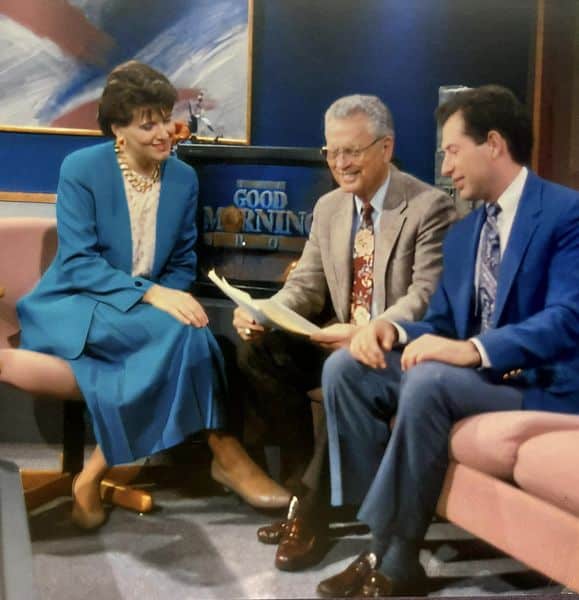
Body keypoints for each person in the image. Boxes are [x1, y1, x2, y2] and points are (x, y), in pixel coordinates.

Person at [316, 84, 579, 597]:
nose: (446, 165)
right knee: (346, 368)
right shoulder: (464, 233)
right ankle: (379, 537)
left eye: (453, 151)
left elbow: (568, 318)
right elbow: (441, 323)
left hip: (541, 382)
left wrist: (475, 350)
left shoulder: (566, 213)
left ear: (494, 144)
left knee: (430, 381)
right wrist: (391, 330)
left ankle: (395, 557)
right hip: (474, 377)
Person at [17, 61, 289, 530]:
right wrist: (153, 296)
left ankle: (93, 476)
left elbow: (182, 262)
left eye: (166, 118)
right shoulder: (81, 169)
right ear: (118, 130)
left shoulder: (183, 178)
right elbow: (79, 264)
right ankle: (224, 452)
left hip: (140, 313)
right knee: (188, 335)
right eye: (148, 125)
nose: (164, 133)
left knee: (191, 330)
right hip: (76, 302)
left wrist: (166, 297)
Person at [233, 95, 455, 567]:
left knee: (344, 365)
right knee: (259, 352)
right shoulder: (330, 207)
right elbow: (306, 286)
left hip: (394, 348)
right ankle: (302, 491)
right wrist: (264, 312)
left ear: (385, 147)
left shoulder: (428, 206)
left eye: (351, 151)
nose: (340, 163)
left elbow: (425, 296)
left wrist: (371, 330)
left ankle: (310, 515)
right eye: (331, 152)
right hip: (339, 339)